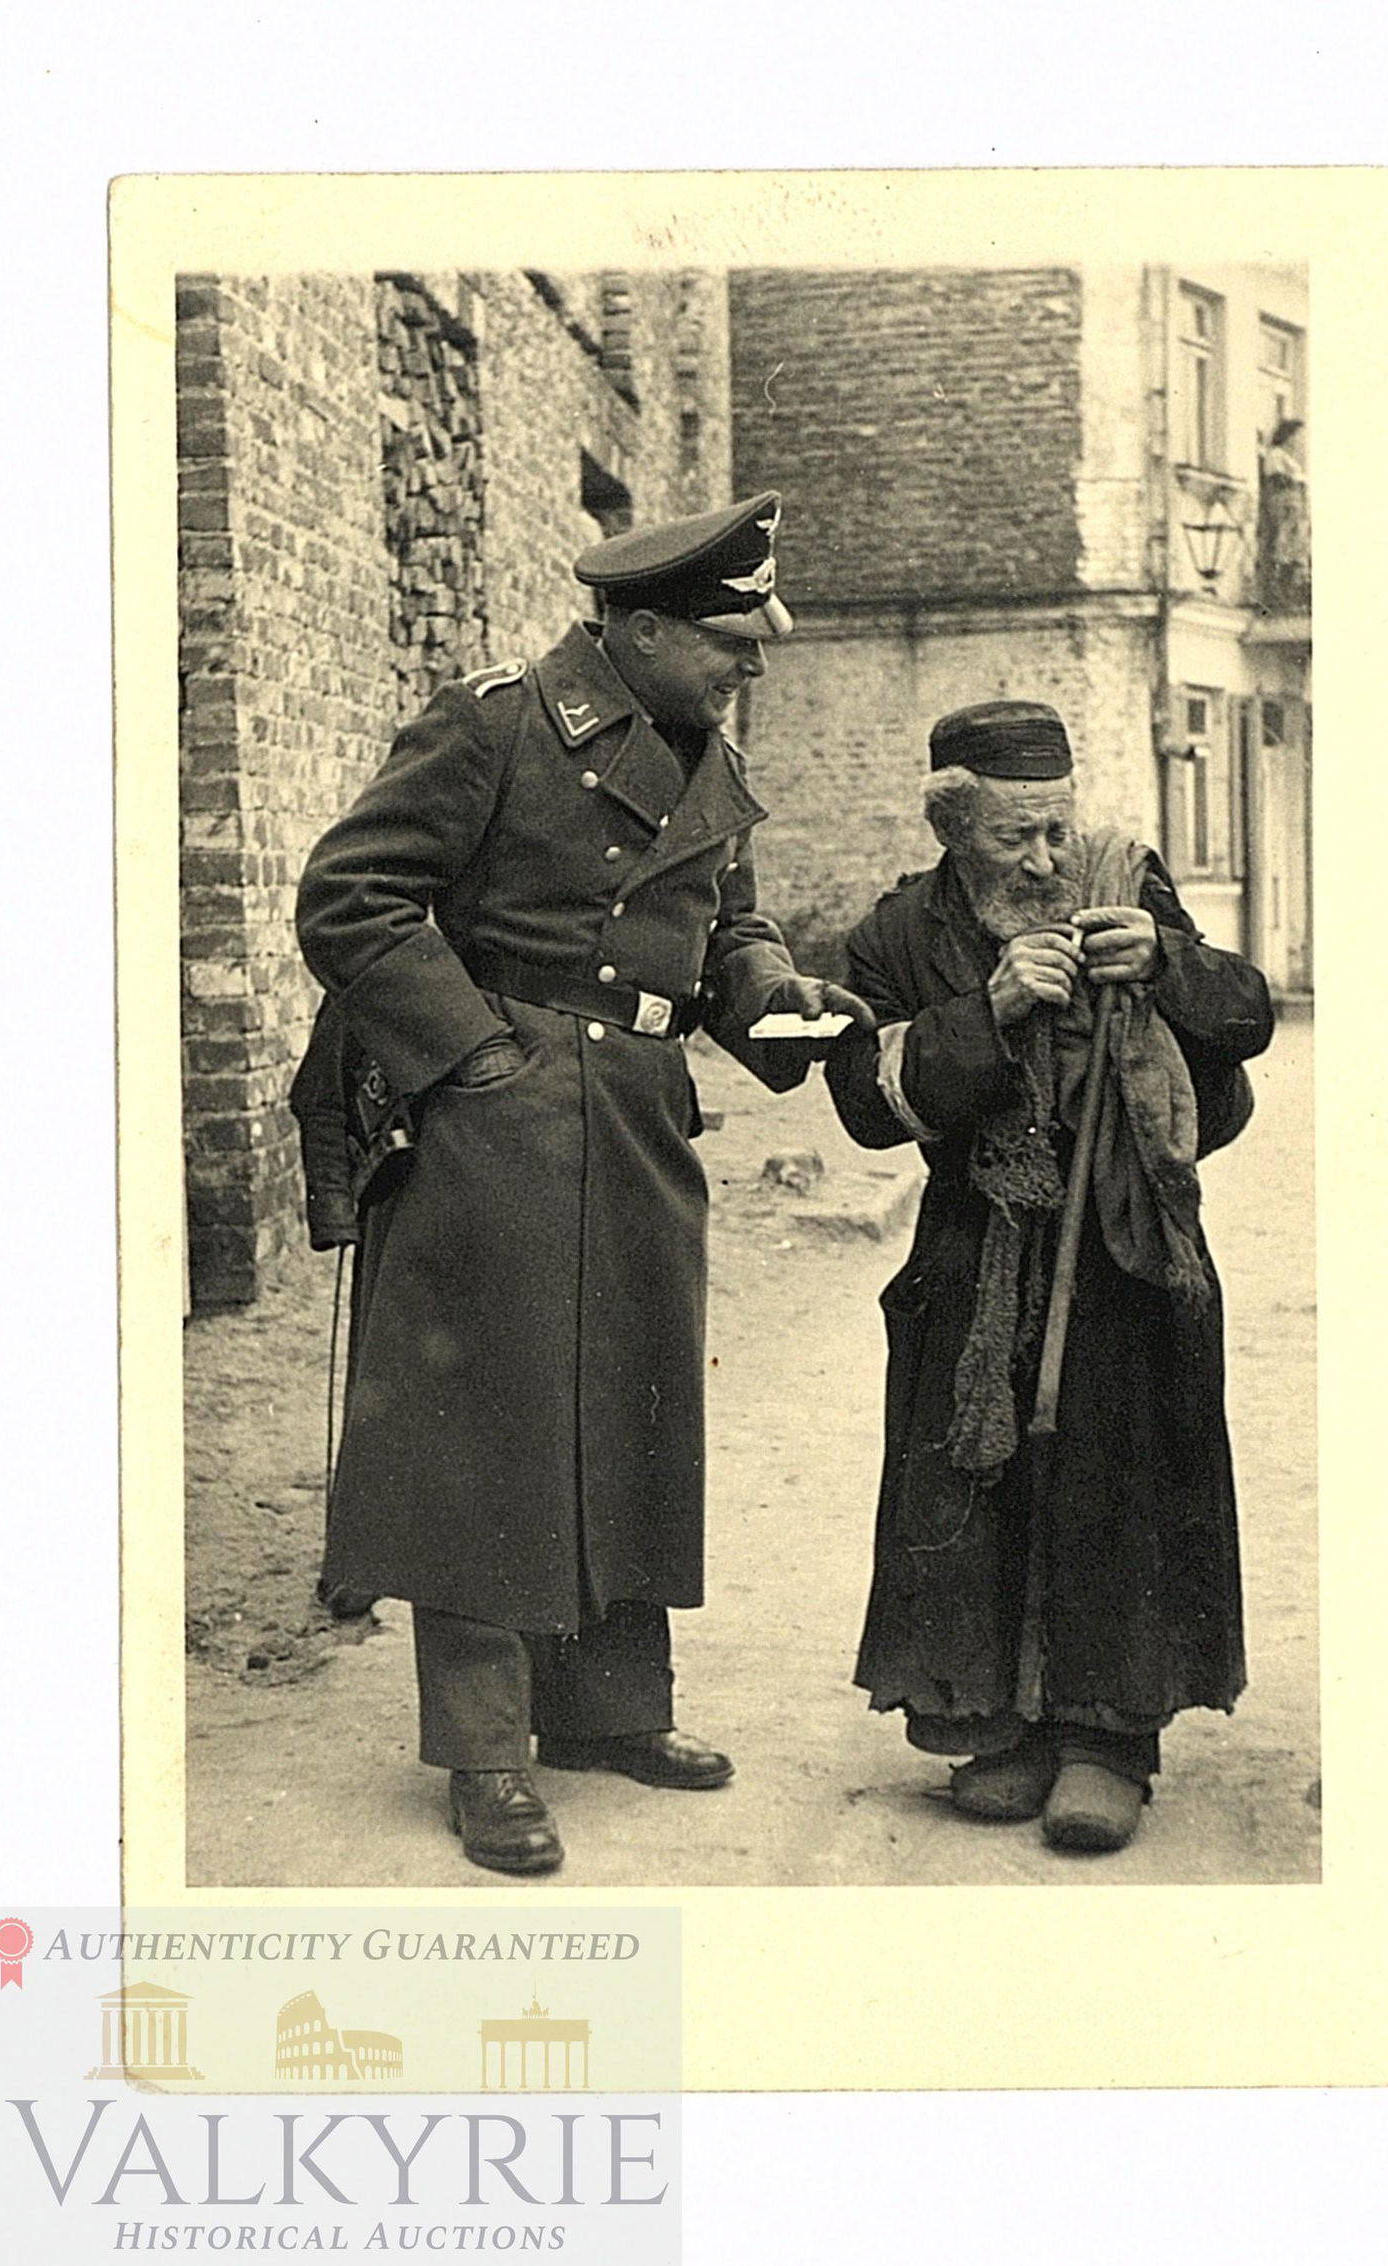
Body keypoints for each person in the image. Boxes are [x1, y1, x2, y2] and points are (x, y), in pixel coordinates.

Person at [293, 492, 870, 1876]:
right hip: (496, 1122)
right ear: (647, 629)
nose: (749, 670)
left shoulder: (702, 746)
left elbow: (726, 925)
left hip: (640, 1119)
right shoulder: (494, 723)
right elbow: (350, 894)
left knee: (630, 1401)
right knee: (488, 1426)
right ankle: (486, 1748)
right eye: (732, 645)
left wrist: (770, 994)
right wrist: (472, 1057)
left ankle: (609, 1710)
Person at [824, 700, 1273, 1853]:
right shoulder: (897, 935)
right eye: (1011, 836)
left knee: (1114, 1476)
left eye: (1055, 830)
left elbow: (1245, 1019)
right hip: (973, 1244)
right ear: (950, 828)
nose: (1041, 860)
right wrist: (986, 1012)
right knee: (981, 1478)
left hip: (1122, 1252)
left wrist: (1165, 961)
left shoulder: (1126, 883)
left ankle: (1106, 1740)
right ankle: (1001, 1723)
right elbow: (864, 1104)